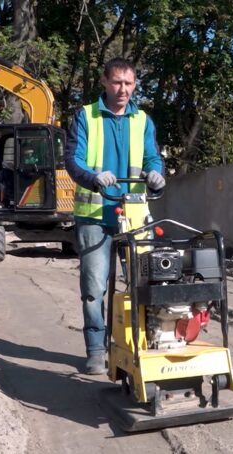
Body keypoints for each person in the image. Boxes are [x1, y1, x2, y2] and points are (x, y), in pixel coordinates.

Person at [65, 57, 165, 375]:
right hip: (94, 215)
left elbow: (152, 156)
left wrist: (157, 174)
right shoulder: (86, 116)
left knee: (145, 282)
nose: (122, 89)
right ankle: (96, 349)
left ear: (134, 85)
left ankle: (146, 342)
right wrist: (93, 176)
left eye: (128, 83)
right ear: (105, 82)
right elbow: (73, 159)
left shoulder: (142, 121)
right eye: (117, 82)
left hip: (133, 215)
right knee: (94, 287)